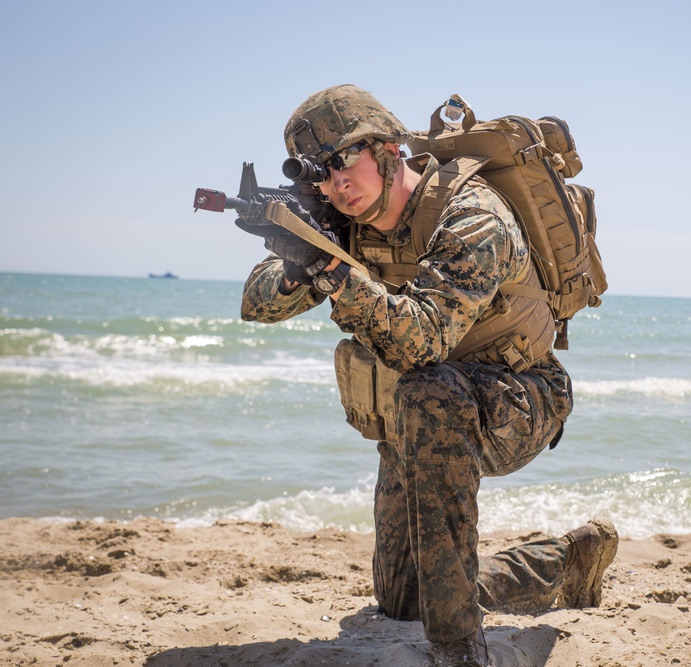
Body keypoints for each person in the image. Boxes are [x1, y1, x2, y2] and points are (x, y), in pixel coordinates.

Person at [238, 84, 618, 667]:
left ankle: (460, 650)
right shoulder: (345, 222)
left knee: (425, 391)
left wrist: (335, 275)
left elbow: (422, 341)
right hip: (420, 417)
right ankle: (563, 563)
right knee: (403, 600)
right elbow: (256, 303)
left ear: (389, 148)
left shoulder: (471, 215)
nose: (336, 184)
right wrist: (299, 263)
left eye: (345, 161)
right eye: (320, 173)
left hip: (517, 398)